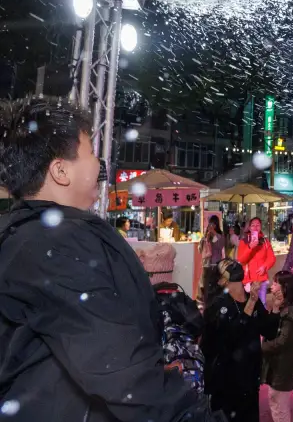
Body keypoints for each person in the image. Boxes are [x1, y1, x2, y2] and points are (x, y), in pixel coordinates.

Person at [0, 97, 215, 421]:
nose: (99, 163)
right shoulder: (59, 244)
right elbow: (120, 371)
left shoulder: (29, 236)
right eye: (90, 152)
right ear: (60, 170)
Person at [202, 259, 270, 422]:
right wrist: (251, 304)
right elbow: (233, 337)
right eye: (226, 265)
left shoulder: (252, 298)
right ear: (221, 281)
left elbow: (269, 330)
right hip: (226, 383)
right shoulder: (217, 306)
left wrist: (276, 308)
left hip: (250, 379)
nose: (232, 265)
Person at [261, 270, 293, 422]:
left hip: (282, 366)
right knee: (276, 404)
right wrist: (274, 308)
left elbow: (281, 341)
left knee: (279, 406)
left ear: (284, 288)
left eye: (275, 283)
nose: (272, 286)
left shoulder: (289, 314)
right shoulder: (281, 308)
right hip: (278, 366)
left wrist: (262, 347)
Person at [238, 216, 276, 305]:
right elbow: (241, 260)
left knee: (262, 303)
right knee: (249, 306)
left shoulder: (265, 241)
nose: (255, 227)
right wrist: (250, 247)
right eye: (253, 225)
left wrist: (265, 267)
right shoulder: (244, 242)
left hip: (261, 279)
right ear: (249, 228)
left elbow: (272, 258)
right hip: (249, 280)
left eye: (258, 225)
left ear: (261, 227)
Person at [200, 216, 226, 304]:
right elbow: (201, 249)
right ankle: (207, 303)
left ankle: (215, 303)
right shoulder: (206, 234)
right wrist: (206, 238)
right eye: (210, 224)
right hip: (206, 264)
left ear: (217, 225)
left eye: (214, 224)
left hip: (216, 264)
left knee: (215, 286)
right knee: (206, 286)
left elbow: (220, 246)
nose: (212, 226)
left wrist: (214, 233)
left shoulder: (220, 235)